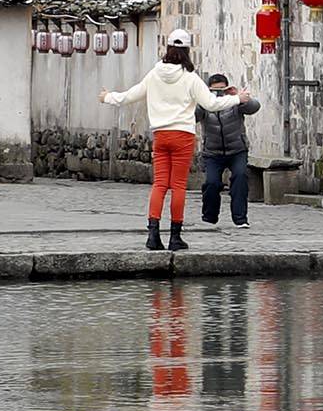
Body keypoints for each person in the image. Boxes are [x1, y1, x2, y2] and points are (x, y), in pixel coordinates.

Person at [103, 30, 248, 252]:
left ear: (168, 48)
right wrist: (238, 98)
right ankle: (175, 237)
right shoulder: (190, 77)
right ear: (187, 50)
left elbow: (129, 96)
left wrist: (108, 97)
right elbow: (211, 103)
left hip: (160, 135)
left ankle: (153, 234)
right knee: (178, 186)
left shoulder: (154, 74)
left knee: (160, 184)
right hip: (182, 135)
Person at [192, 73, 261, 230]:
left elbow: (254, 107)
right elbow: (193, 117)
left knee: (240, 178)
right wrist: (203, 101)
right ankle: (209, 216)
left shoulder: (234, 102)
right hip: (212, 152)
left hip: (237, 150)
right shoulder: (205, 104)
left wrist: (237, 96)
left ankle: (240, 218)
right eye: (215, 90)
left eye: (221, 90)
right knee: (212, 183)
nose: (218, 94)